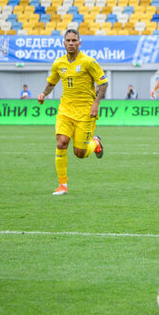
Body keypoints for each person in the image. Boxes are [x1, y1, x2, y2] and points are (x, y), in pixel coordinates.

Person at [37, 29, 108, 195]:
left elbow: (103, 83)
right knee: (61, 142)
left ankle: (95, 143)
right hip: (65, 110)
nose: (71, 43)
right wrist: (43, 94)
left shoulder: (89, 62)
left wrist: (96, 103)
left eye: (74, 40)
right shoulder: (58, 64)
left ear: (79, 43)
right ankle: (62, 185)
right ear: (63, 43)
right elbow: (51, 82)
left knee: (80, 153)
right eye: (68, 40)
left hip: (86, 111)